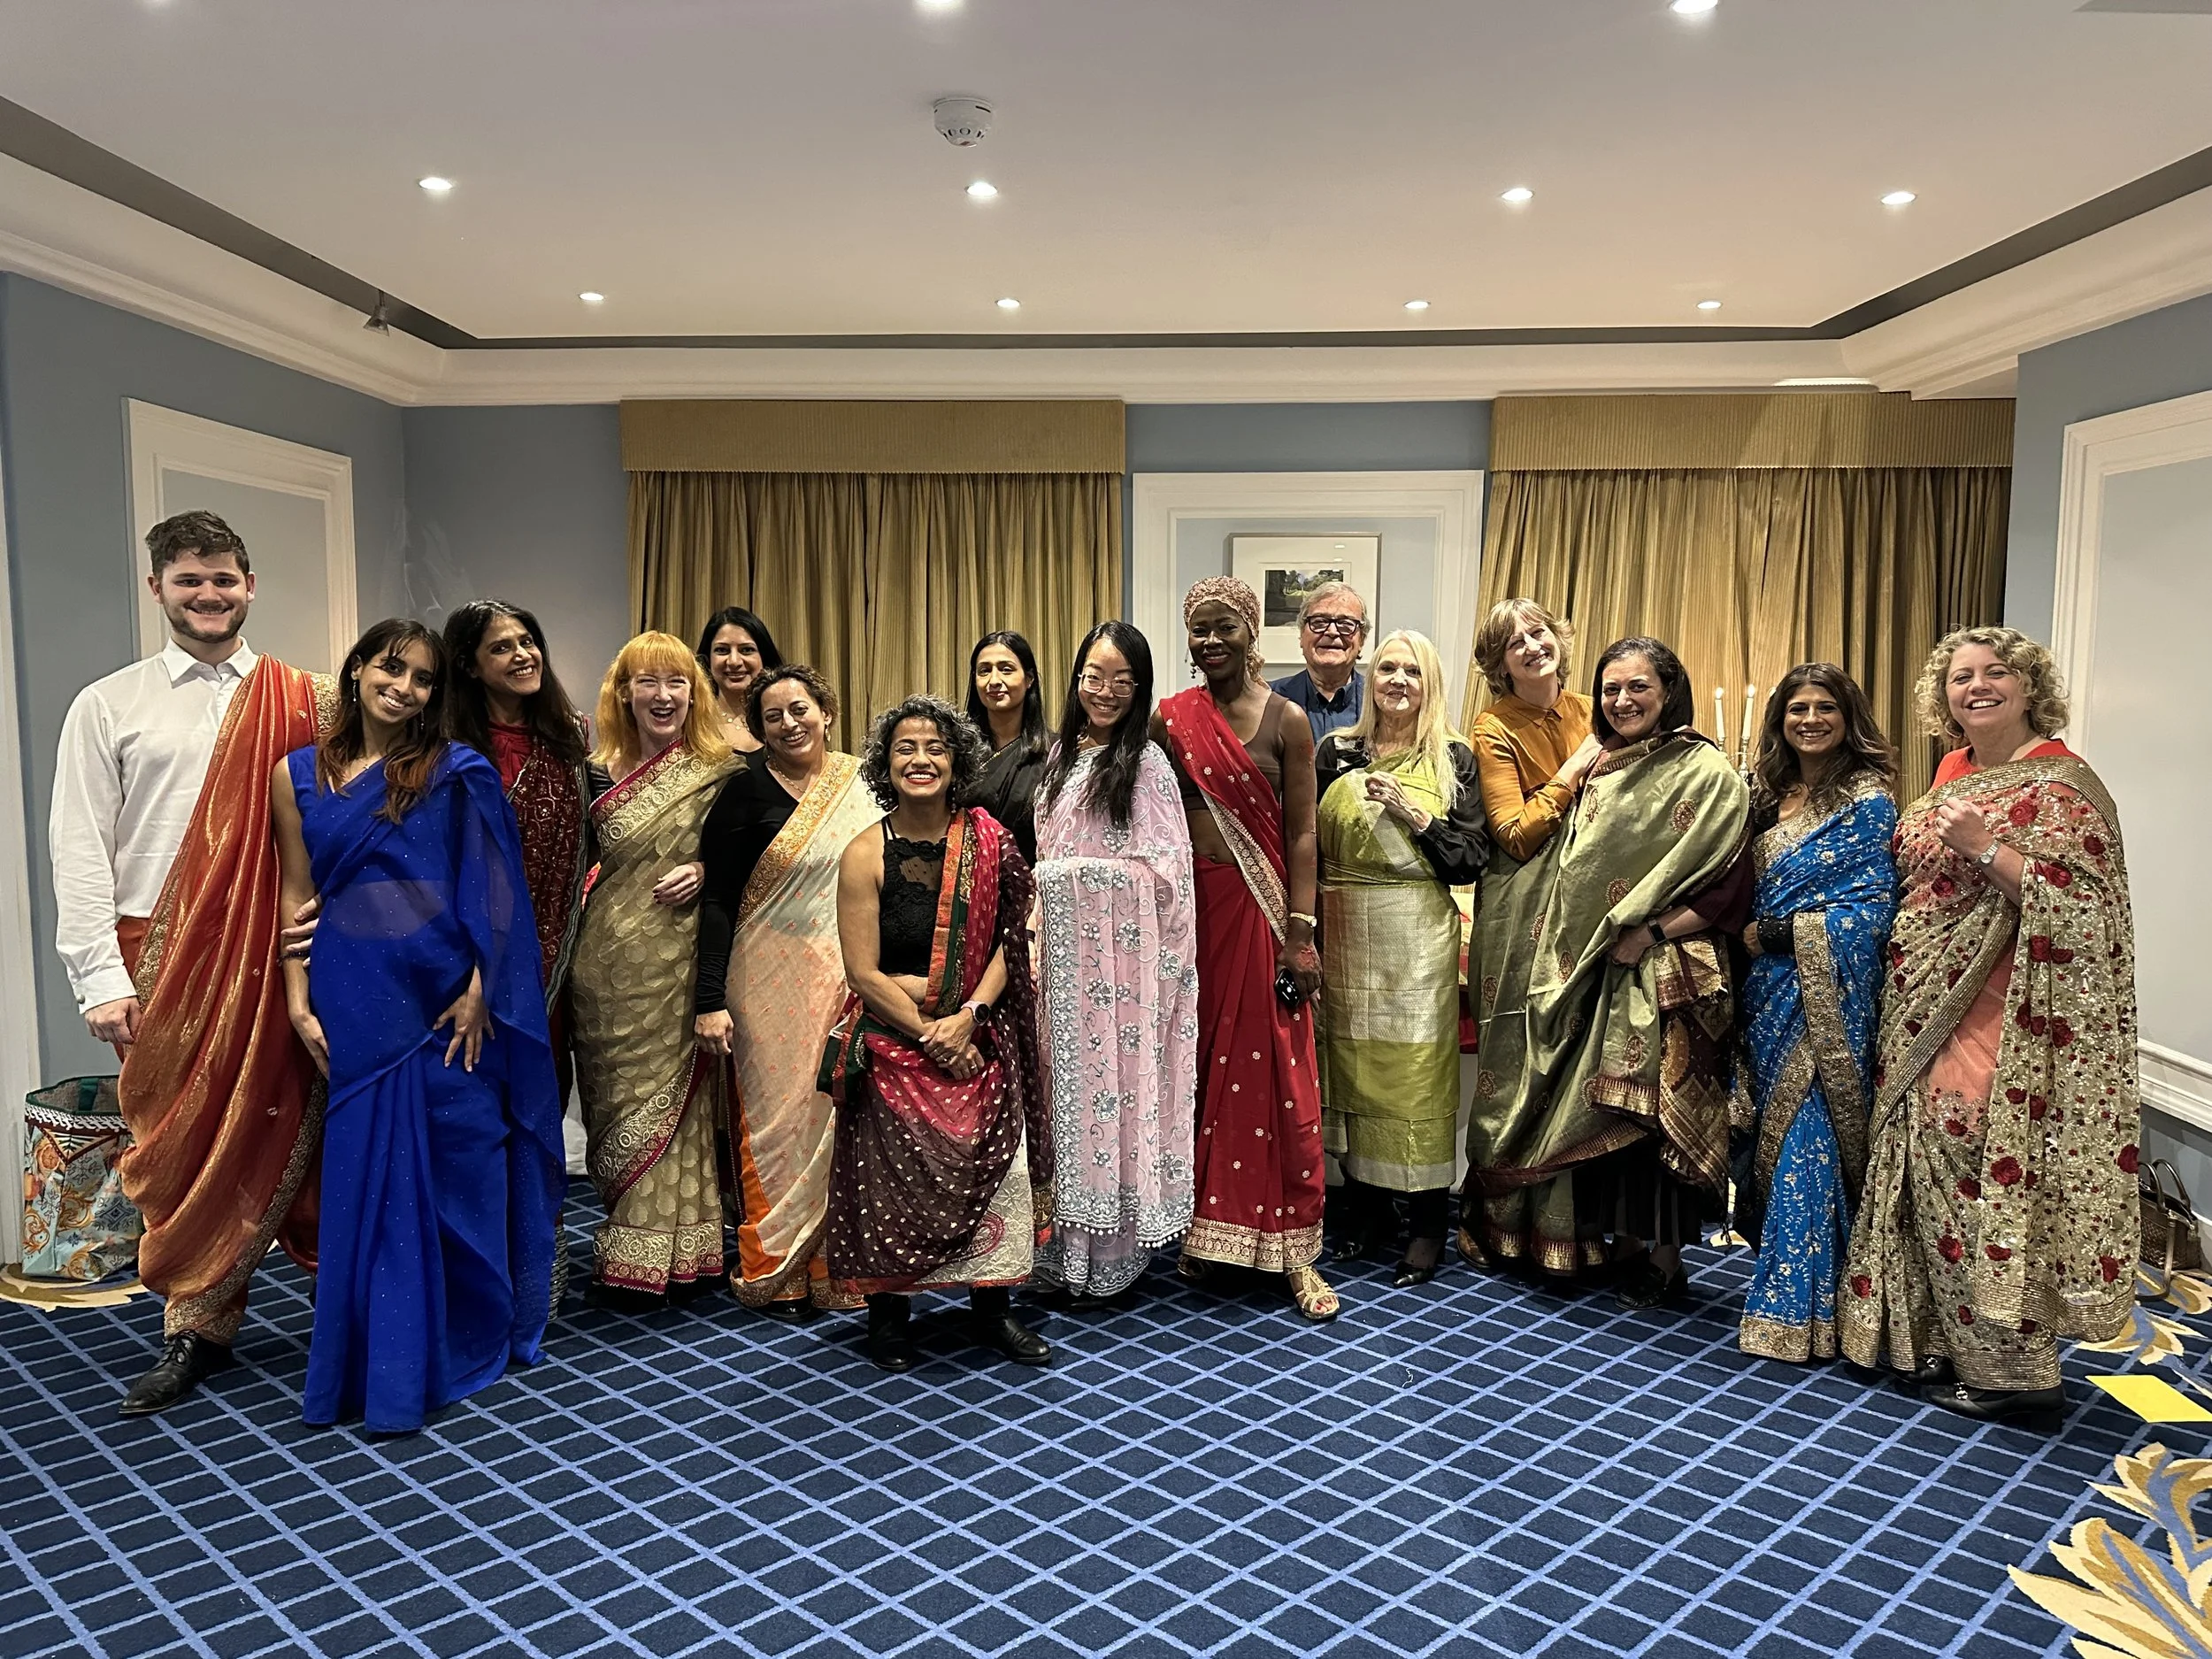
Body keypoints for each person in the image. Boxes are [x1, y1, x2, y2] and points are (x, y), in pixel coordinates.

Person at [50, 510, 330, 1417]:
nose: (208, 595)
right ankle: (194, 1324)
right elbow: (79, 847)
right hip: (160, 955)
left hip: (289, 948)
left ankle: (349, 1305)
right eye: (188, 581)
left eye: (223, 579)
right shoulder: (110, 703)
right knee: (178, 1146)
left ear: (250, 586)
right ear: (157, 590)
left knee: (315, 1131)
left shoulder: (310, 698)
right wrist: (99, 976)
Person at [271, 619, 565, 1432]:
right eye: (391, 670)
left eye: (424, 679)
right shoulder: (294, 774)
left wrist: (481, 988)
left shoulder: (456, 769)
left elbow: (494, 893)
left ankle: (467, 1331)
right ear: (358, 670)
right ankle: (376, 1358)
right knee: (367, 1176)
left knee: (460, 1162)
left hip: (443, 993)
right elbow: (295, 896)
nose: (404, 688)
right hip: (352, 992)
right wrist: (297, 996)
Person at [1842, 627, 2139, 1426]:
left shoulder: (2066, 784)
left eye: (1995, 672)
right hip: (1915, 999)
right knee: (1919, 1158)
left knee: (1974, 1169)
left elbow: (2086, 912)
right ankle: (1939, 1338)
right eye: (1960, 677)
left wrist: (1986, 849)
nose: (1976, 687)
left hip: (2005, 1012)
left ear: (2028, 685)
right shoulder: (1950, 771)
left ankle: (2017, 1372)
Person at [1463, 637, 1750, 1308]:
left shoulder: (1701, 769)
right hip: (1591, 965)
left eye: (1638, 687)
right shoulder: (1600, 767)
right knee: (1598, 1110)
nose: (1622, 700)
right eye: (1612, 688)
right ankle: (1600, 1242)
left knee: (1653, 1118)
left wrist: (1647, 933)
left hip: (1664, 969)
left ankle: (1665, 1258)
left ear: (1669, 690)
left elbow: (1727, 886)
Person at [822, 696, 1052, 1371]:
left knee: (994, 1168)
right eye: (905, 749)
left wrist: (971, 1016)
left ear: (957, 762)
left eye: (935, 748)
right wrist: (929, 1032)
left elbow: (1014, 937)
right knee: (887, 1178)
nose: (920, 759)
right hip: (897, 1037)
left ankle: (993, 1309)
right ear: (884, 764)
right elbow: (862, 973)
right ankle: (890, 1316)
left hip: (977, 1033)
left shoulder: (991, 839)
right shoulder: (865, 851)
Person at [1154, 577, 1337, 1322]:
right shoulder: (1172, 720)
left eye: (1224, 626)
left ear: (1250, 630)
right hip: (1190, 918)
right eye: (1199, 628)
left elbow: (1301, 831)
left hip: (1264, 919)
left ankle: (1295, 1250)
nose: (1210, 641)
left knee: (1277, 1075)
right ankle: (1209, 1227)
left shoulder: (1289, 720)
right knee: (1198, 1069)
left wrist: (1301, 932)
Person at [693, 664, 879, 1318]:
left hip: (851, 979)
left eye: (800, 709)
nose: (790, 723)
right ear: (758, 728)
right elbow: (717, 900)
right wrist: (708, 999)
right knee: (777, 1124)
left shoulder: (864, 782)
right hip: (765, 981)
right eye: (773, 716)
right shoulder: (742, 792)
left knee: (842, 1116)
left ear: (826, 711)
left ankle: (840, 1267)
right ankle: (776, 1266)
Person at [1030, 622, 1199, 1305]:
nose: (1105, 692)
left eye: (1121, 682)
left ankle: (1109, 1247)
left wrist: (1073, 879)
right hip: (1059, 960)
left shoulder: (1148, 764)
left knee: (1110, 1095)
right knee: (1056, 1096)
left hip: (1118, 973)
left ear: (1140, 689)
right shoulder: (1058, 755)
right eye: (1094, 678)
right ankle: (1057, 1246)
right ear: (1076, 680)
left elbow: (1167, 871)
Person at [1734, 665, 1898, 1363]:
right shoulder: (1766, 797)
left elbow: (1873, 912)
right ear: (1779, 720)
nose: (1809, 719)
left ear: (1848, 715)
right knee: (1773, 1138)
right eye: (1796, 707)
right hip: (1763, 995)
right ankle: (1823, 1299)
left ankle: (1793, 1309)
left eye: (1824, 707)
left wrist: (1779, 935)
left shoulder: (1868, 801)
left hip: (1826, 991)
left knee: (1811, 1137)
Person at [1315, 630, 1488, 1286]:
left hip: (1416, 938)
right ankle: (1361, 1212)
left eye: (1412, 670)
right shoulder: (1338, 752)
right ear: (1371, 677)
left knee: (1415, 1080)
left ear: (1430, 683)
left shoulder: (1454, 758)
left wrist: (1417, 814)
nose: (1398, 679)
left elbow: (1470, 858)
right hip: (1343, 932)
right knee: (1350, 1072)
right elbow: (1306, 837)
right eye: (1387, 666)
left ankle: (1423, 1226)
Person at [567, 633, 737, 1306]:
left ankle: (677, 1251)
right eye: (648, 683)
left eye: (676, 683)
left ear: (694, 693)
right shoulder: (594, 769)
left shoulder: (718, 769)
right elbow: (567, 866)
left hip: (680, 960)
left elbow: (753, 859)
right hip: (603, 965)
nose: (662, 696)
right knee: (614, 1103)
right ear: (624, 692)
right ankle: (627, 1231)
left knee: (683, 1101)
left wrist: (705, 867)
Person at [1457, 597, 1600, 1272]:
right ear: (1498, 663)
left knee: (1576, 1060)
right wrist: (1576, 772)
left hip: (1588, 904)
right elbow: (1512, 834)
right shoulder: (1493, 725)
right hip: (1520, 907)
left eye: (1539, 632)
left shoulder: (1594, 709)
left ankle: (1566, 1227)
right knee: (1515, 1059)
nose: (1532, 646)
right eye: (1515, 642)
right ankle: (1495, 1218)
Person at [442, 600, 592, 1097]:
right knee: (471, 1092)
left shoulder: (571, 739)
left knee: (540, 1090)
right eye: (502, 648)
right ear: (469, 665)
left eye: (527, 642)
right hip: (462, 954)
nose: (523, 655)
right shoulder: (444, 748)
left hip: (547, 953)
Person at [967, 630, 1050, 867]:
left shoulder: (1055, 752)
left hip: (1031, 887)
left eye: (1006, 669)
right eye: (984, 670)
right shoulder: (957, 750)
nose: (994, 681)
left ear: (1029, 679)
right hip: (967, 888)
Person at [1271, 580, 1370, 746]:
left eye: (1346, 624)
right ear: (1302, 635)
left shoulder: (1378, 701)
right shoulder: (1270, 699)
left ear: (1362, 641)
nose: (1332, 632)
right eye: (1319, 622)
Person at [697, 606, 783, 755]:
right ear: (708, 659)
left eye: (746, 650)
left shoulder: (787, 720)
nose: (734, 661)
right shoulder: (693, 723)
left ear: (764, 657)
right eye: (722, 650)